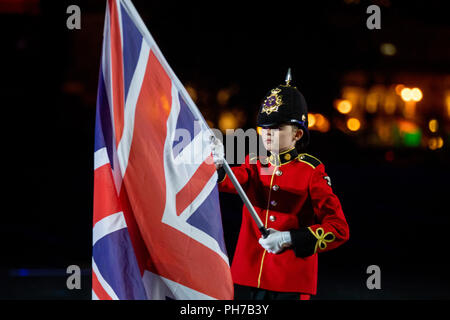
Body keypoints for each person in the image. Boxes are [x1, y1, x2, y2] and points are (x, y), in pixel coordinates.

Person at [211, 75, 350, 300]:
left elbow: (339, 229)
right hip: (252, 275)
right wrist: (217, 164)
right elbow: (231, 181)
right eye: (263, 126)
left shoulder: (311, 171)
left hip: (291, 280)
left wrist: (289, 238)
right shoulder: (256, 162)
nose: (266, 132)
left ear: (297, 134)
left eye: (276, 127)